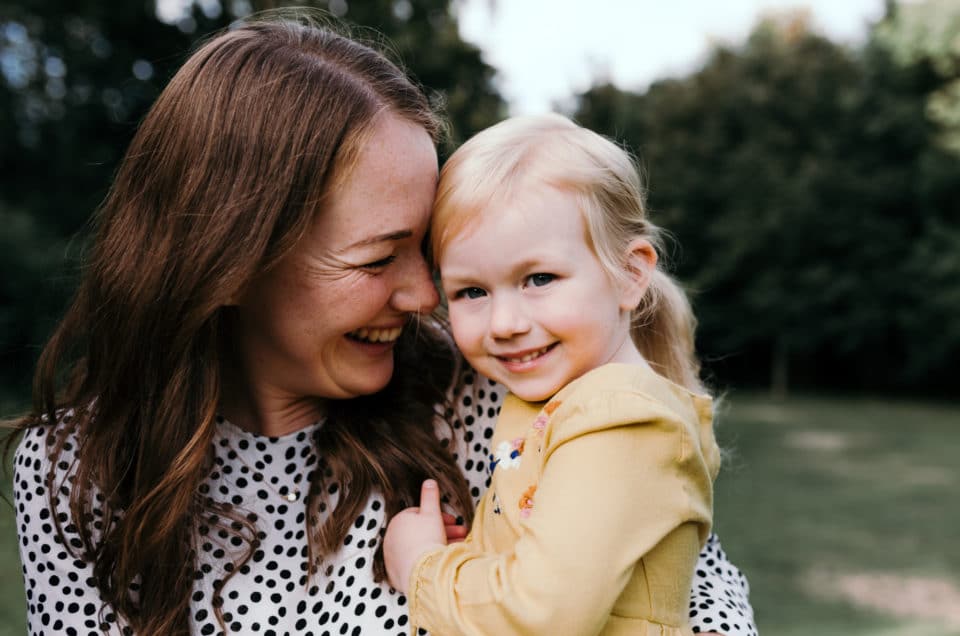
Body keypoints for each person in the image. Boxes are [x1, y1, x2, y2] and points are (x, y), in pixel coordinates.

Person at [6, 15, 756, 636]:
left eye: (425, 249)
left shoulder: (496, 388)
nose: (425, 295)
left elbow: (702, 604)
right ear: (230, 265)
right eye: (378, 259)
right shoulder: (74, 473)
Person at [383, 112, 736, 636]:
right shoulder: (568, 402)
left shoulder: (623, 424)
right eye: (471, 292)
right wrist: (482, 552)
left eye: (538, 278)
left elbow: (539, 619)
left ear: (629, 274)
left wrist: (424, 568)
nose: (505, 324)